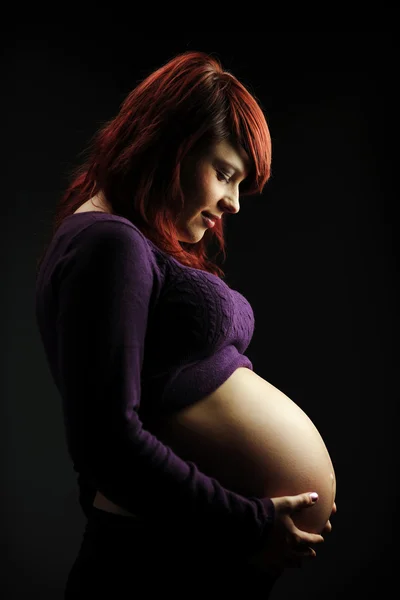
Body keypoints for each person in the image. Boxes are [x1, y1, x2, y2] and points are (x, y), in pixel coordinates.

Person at [35, 50, 336, 598]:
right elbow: (105, 441)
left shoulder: (122, 241)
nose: (235, 203)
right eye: (224, 173)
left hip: (175, 548)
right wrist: (249, 522)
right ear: (168, 146)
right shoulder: (109, 243)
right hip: (158, 560)